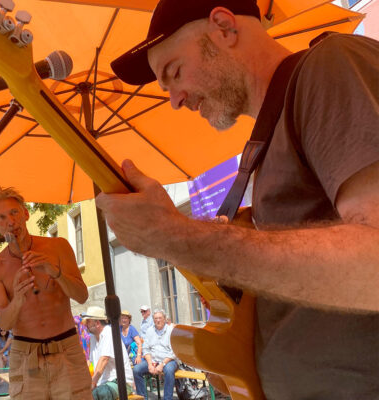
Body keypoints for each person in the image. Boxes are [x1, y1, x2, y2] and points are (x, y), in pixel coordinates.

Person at [99, 0, 379, 398]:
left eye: (174, 72)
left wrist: (174, 235)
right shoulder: (265, 143)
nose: (175, 99)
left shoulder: (331, 64)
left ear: (224, 27)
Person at [0, 185, 92, 399]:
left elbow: (81, 295)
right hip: (25, 354)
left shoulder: (58, 246)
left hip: (67, 349)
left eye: (14, 212)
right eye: (2, 217)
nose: (11, 222)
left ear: (25, 213)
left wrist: (56, 273)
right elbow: (4, 323)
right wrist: (18, 298)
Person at [83, 306, 134, 400]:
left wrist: (92, 383)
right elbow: (90, 362)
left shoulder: (109, 333)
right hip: (104, 383)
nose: (86, 324)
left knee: (98, 394)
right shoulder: (93, 337)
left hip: (121, 383)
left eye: (88, 321)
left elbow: (104, 360)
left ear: (97, 323)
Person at [132, 310, 178, 400]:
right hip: (153, 360)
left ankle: (167, 398)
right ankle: (142, 398)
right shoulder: (150, 331)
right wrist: (149, 364)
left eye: (160, 318)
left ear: (164, 319)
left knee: (168, 370)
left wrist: (162, 364)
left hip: (168, 360)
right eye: (156, 318)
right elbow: (146, 349)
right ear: (153, 320)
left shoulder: (171, 330)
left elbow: (174, 352)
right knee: (136, 370)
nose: (158, 320)